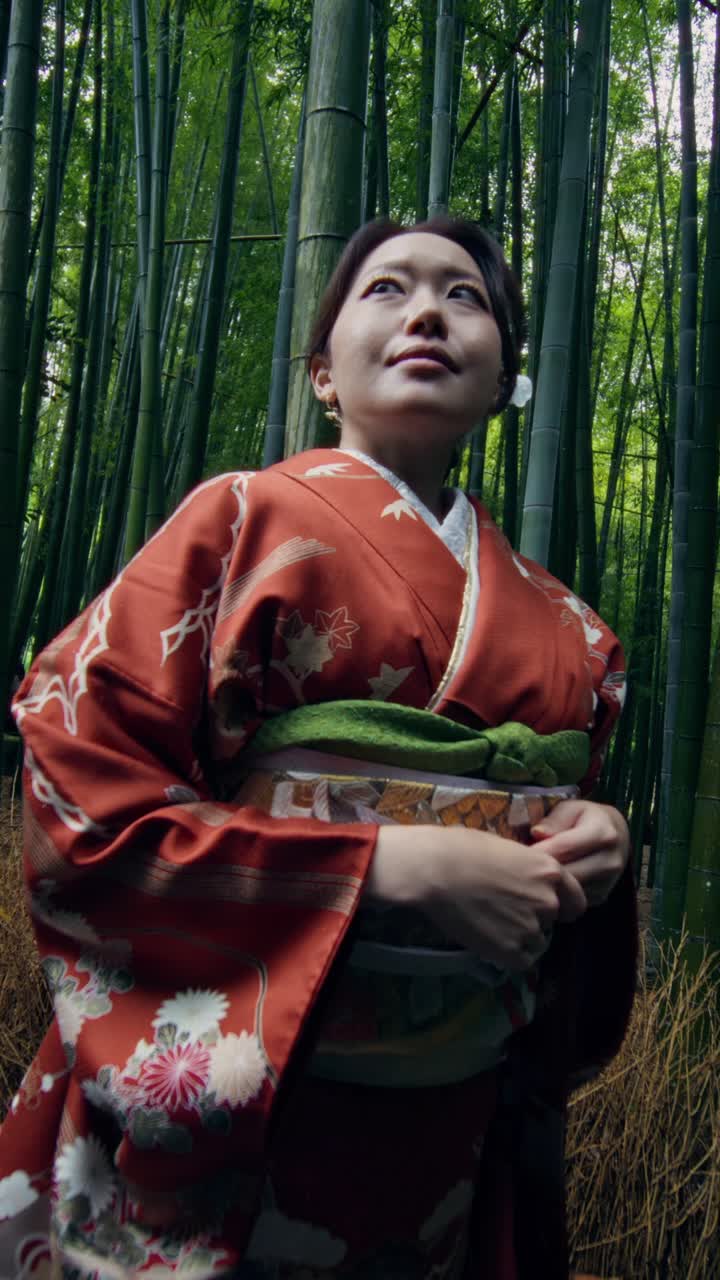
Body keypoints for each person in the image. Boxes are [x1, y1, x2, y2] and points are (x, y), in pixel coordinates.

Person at [0, 216, 636, 1280]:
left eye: (466, 297)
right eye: (386, 289)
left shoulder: (573, 629)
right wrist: (382, 867)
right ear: (322, 372)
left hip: (446, 1132)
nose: (427, 311)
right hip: (244, 1117)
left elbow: (562, 854)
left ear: (505, 380)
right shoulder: (238, 520)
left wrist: (600, 844)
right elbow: (81, 787)